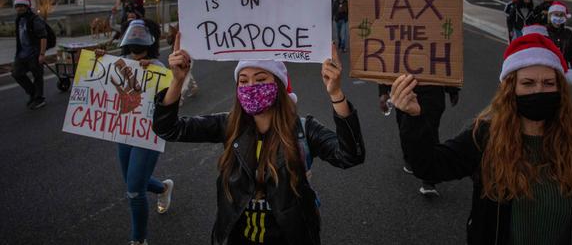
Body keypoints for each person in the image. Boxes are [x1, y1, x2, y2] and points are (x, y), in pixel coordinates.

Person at [391, 33, 572, 244]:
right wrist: (414, 118)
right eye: (527, 83)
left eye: (548, 83)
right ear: (510, 89)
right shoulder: (485, 137)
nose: (538, 90)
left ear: (560, 90)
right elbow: (430, 166)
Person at [153, 39, 365, 245]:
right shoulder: (228, 125)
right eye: (243, 81)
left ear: (278, 85)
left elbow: (350, 156)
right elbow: (168, 129)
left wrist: (336, 93)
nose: (251, 86)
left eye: (261, 79)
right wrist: (177, 81)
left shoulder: (303, 130)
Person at [96, 19, 174, 245]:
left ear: (149, 39)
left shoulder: (158, 68)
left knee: (133, 191)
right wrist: (98, 62)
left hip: (148, 136)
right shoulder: (119, 62)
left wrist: (158, 73)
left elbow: (171, 102)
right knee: (132, 181)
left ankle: (138, 240)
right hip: (124, 133)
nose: (137, 39)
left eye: (142, 34)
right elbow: (100, 86)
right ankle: (163, 187)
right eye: (134, 33)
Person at [379, 83, 459, 196]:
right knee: (405, 129)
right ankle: (409, 157)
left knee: (430, 132)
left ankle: (429, 180)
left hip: (432, 92)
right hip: (404, 90)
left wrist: (453, 88)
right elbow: (390, 65)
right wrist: (383, 91)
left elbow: (448, 65)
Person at [12, 0, 48, 109]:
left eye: (22, 6)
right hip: (21, 54)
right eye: (17, 6)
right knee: (16, 73)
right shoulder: (18, 19)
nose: (19, 9)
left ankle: (39, 98)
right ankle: (33, 93)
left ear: (27, 7)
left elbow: (43, 36)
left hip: (34, 53)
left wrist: (42, 54)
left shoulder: (34, 19)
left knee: (37, 75)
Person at [546, 1, 572, 87]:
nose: (558, 18)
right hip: (546, 74)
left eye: (561, 15)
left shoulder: (568, 33)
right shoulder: (543, 32)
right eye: (556, 14)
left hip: (563, 73)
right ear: (550, 16)